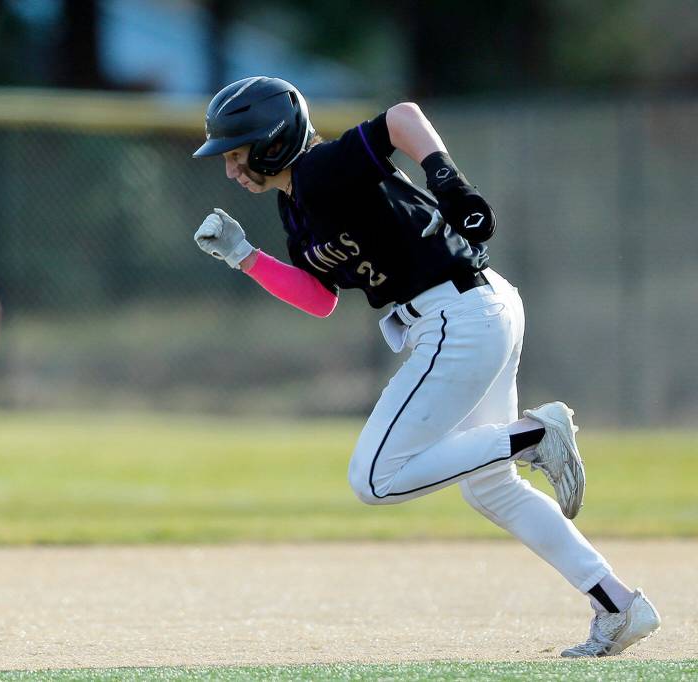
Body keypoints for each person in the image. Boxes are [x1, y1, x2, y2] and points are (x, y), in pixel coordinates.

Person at [192, 76, 660, 658]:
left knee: (375, 478)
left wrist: (450, 180)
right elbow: (321, 298)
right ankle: (618, 605)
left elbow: (403, 118)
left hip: (457, 316)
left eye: (236, 153)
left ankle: (535, 434)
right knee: (491, 489)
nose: (230, 168)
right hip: (474, 310)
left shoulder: (321, 169)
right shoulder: (297, 205)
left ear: (271, 142)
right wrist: (245, 257)